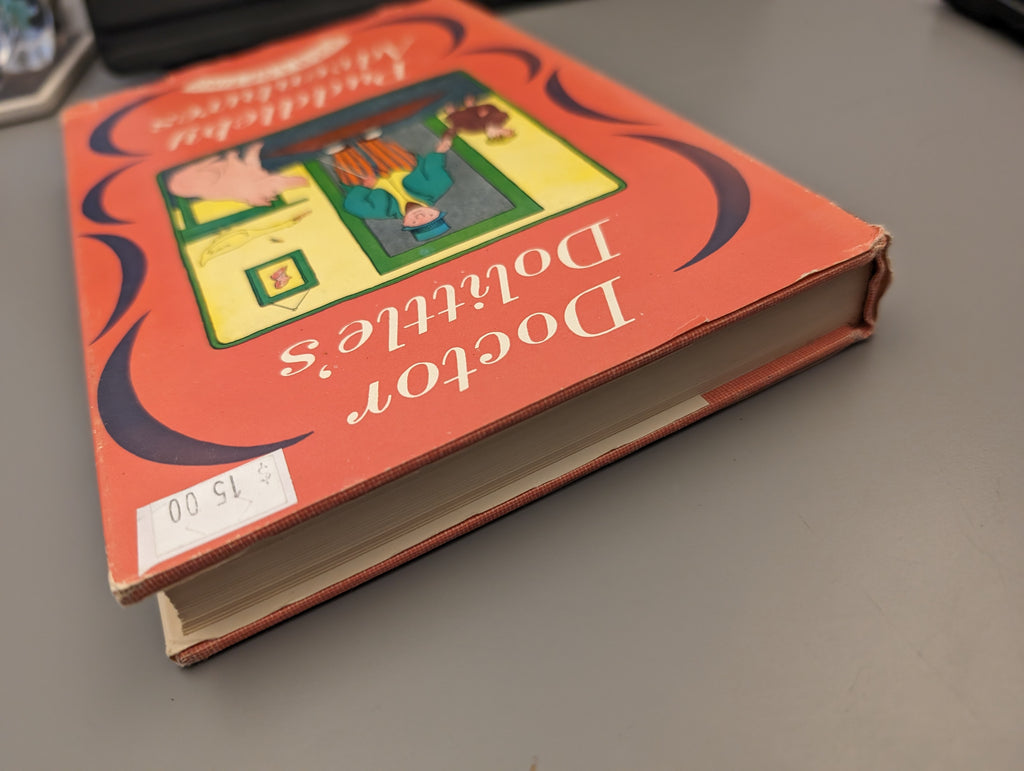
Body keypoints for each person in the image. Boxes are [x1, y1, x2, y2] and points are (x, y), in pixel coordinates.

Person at [328, 133, 455, 241]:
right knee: (405, 163)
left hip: (368, 181)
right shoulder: (437, 187)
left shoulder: (382, 212)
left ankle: (340, 151)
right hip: (398, 167)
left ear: (405, 222)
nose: (420, 216)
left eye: (415, 222)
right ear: (435, 210)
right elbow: (434, 168)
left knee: (356, 177)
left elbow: (352, 205)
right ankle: (370, 140)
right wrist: (440, 151)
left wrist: (364, 188)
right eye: (430, 216)